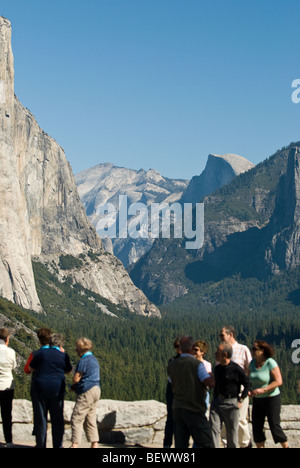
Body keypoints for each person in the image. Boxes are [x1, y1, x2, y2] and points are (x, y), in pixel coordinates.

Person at [167, 336, 215, 448]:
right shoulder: (197, 365)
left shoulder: (172, 365)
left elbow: (171, 381)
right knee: (205, 442)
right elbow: (209, 383)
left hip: (178, 408)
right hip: (194, 409)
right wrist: (213, 377)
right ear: (192, 348)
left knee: (181, 444)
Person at [29, 333, 72, 448]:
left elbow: (31, 367)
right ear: (61, 344)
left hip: (40, 389)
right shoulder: (63, 355)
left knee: (41, 418)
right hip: (57, 389)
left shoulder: (40, 353)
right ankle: (57, 445)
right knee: (57, 419)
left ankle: (40, 445)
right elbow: (68, 370)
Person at [210, 343, 251, 448]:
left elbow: (247, 384)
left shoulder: (236, 369)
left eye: (217, 352)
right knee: (213, 429)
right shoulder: (218, 368)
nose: (215, 354)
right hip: (217, 402)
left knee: (232, 432)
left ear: (225, 354)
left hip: (231, 403)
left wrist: (241, 399)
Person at [249, 340, 288, 449]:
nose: (252, 351)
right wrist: (249, 390)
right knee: (257, 428)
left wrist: (264, 389)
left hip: (271, 398)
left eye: (255, 349)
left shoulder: (270, 362)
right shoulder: (252, 363)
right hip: (257, 400)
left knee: (274, 426)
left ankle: (286, 446)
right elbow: (248, 378)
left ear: (262, 351)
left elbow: (279, 381)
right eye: (252, 349)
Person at [219, 326, 252, 448]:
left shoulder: (243, 349)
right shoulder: (221, 351)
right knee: (226, 421)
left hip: (240, 390)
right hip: (224, 391)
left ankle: (245, 445)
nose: (220, 338)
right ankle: (228, 445)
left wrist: (246, 386)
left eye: (222, 335)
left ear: (231, 335)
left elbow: (250, 369)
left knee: (241, 420)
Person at [70, 338, 101, 449]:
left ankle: (75, 444)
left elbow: (77, 378)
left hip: (86, 390)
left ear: (80, 349)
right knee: (90, 417)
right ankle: (94, 444)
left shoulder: (84, 360)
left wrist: (73, 386)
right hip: (96, 389)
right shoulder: (94, 359)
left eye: (77, 349)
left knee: (77, 417)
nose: (76, 351)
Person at [24, 328, 52, 439]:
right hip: (53, 388)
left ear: (39, 340)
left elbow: (26, 370)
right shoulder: (56, 353)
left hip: (37, 388)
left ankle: (40, 442)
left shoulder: (35, 354)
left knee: (40, 416)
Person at [163, 337, 181, 448]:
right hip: (173, 391)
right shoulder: (172, 360)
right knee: (170, 419)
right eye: (177, 346)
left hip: (184, 393)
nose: (179, 349)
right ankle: (167, 444)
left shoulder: (191, 361)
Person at [0, 328, 16, 448]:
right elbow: (13, 366)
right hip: (7, 385)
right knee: (7, 414)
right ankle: (9, 441)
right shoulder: (11, 352)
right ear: (7, 339)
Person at [193, 340, 212, 409]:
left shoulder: (206, 364)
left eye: (196, 350)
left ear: (202, 352)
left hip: (202, 393)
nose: (194, 351)